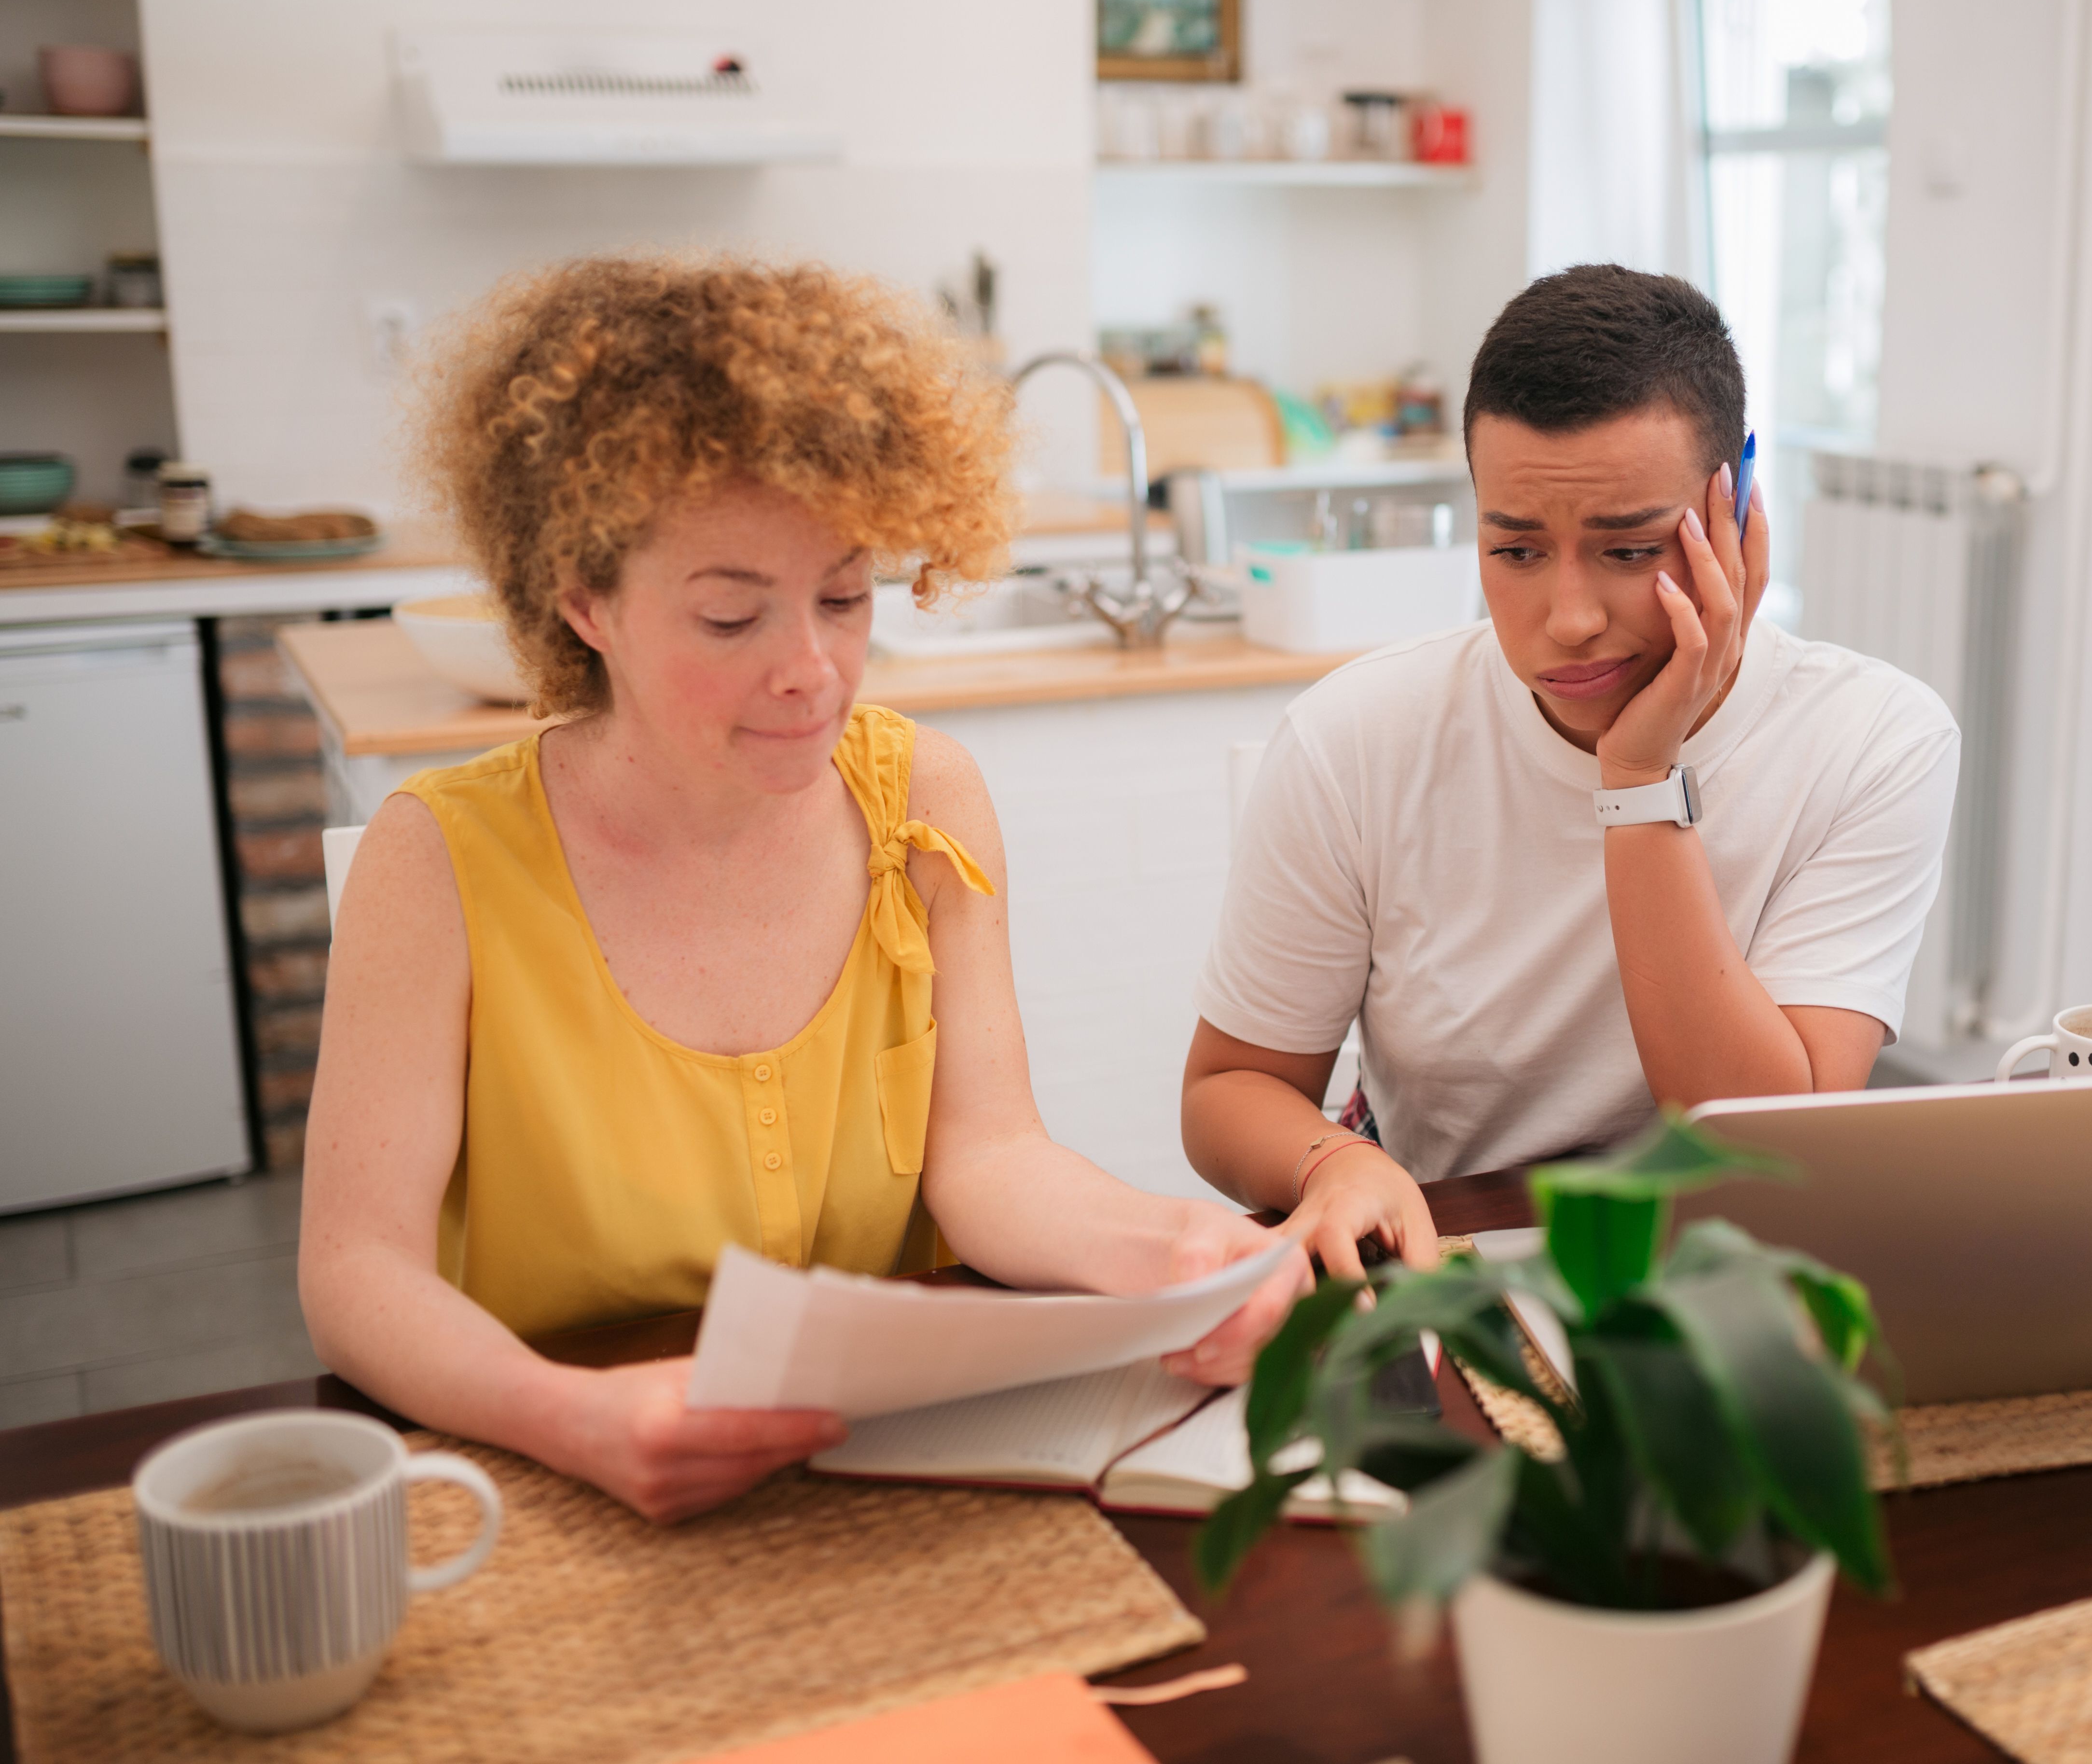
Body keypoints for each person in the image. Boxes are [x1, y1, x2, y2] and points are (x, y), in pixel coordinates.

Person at [301, 256, 1304, 1523]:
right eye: (732, 619)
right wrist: (573, 1415)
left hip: (881, 1472)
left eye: (845, 597)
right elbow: (354, 1271)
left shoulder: (923, 801)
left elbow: (987, 1159)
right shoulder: (438, 857)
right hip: (554, 1478)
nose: (814, 673)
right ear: (584, 600)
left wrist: (1180, 1254)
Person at [1184, 264, 1960, 1278]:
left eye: (1631, 550)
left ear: (1737, 511)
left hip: (1727, 1271)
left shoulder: (1875, 739)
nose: (1571, 618)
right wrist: (1333, 1163)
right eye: (1515, 553)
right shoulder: (1357, 735)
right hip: (1448, 1269)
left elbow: (1760, 1151)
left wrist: (1640, 777)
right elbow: (1229, 1089)